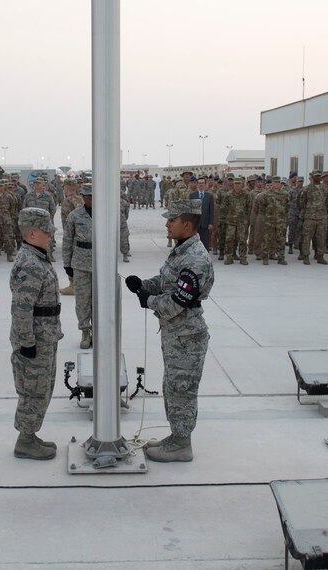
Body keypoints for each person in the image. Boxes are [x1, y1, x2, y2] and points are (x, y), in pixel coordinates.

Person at [124, 199, 214, 462]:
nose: (167, 224)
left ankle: (182, 445)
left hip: (187, 336)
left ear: (187, 225)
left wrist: (148, 301)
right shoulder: (182, 250)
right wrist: (144, 285)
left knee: (182, 390)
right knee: (173, 387)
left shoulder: (195, 258)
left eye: (172, 220)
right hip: (177, 334)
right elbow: (168, 282)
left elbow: (177, 301)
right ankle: (176, 436)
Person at [9, 207, 63, 460]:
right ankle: (25, 440)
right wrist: (26, 343)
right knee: (34, 390)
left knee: (42, 387)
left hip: (45, 335)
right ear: (32, 233)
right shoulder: (30, 264)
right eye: (46, 231)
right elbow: (21, 309)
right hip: (35, 339)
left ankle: (30, 434)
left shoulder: (37, 257)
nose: (50, 235)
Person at [62, 183, 94, 349]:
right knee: (82, 300)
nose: (91, 200)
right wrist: (67, 264)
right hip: (81, 263)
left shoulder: (106, 214)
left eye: (93, 197)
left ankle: (98, 330)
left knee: (100, 300)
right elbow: (67, 240)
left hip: (101, 263)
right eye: (88, 197)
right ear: (83, 197)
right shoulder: (74, 215)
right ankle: (85, 331)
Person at [187, 176, 215, 250]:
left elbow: (211, 211)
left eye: (202, 183)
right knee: (195, 243)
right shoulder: (192, 195)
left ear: (205, 184)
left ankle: (205, 256)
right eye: (199, 183)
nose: (201, 185)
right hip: (195, 223)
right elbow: (190, 210)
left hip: (205, 223)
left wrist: (211, 223)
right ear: (197, 184)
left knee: (205, 242)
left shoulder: (209, 196)